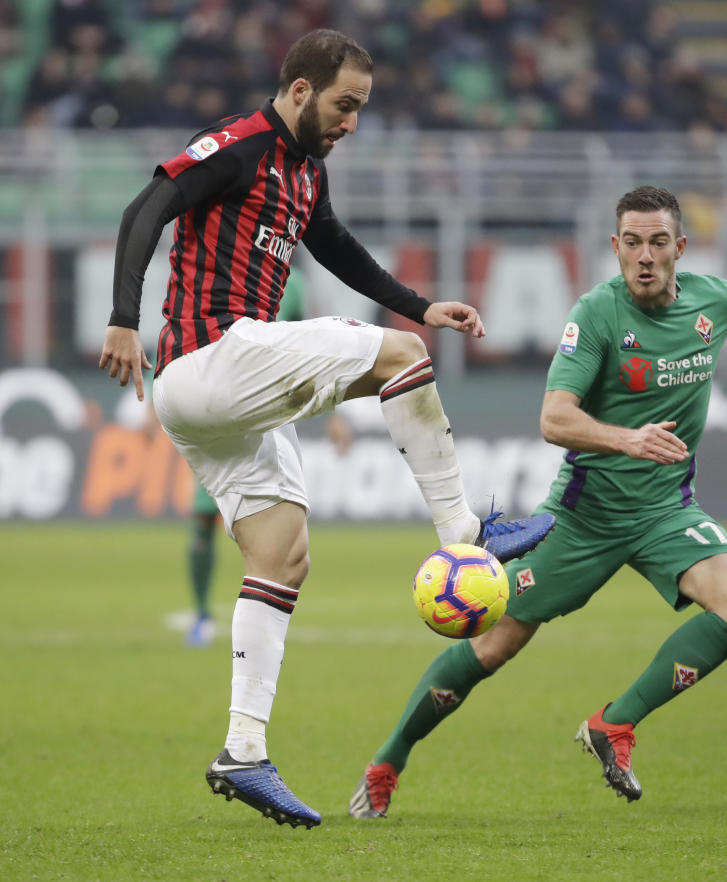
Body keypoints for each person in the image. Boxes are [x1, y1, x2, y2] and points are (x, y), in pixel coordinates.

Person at [98, 29, 554, 830]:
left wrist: (420, 304)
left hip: (222, 393)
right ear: (301, 89)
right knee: (400, 359)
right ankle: (464, 530)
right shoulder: (240, 145)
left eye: (361, 109)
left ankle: (242, 751)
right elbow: (148, 206)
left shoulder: (306, 171)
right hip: (211, 356)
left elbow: (333, 244)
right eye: (345, 104)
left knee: (282, 555)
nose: (351, 121)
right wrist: (121, 319)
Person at [347, 185, 727, 819]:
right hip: (582, 517)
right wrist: (629, 439)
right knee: (491, 646)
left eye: (656, 242)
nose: (644, 256)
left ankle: (613, 725)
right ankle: (389, 759)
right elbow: (554, 419)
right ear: (614, 247)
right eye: (631, 242)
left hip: (666, 512)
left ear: (679, 246)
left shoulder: (716, 300)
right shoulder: (596, 314)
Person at [182, 265, 308, 650]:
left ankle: (263, 619)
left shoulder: (295, 284)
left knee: (273, 526)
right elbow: (184, 327)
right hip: (217, 409)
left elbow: (306, 347)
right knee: (205, 516)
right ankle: (202, 613)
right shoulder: (221, 267)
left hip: (269, 418)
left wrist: (331, 414)